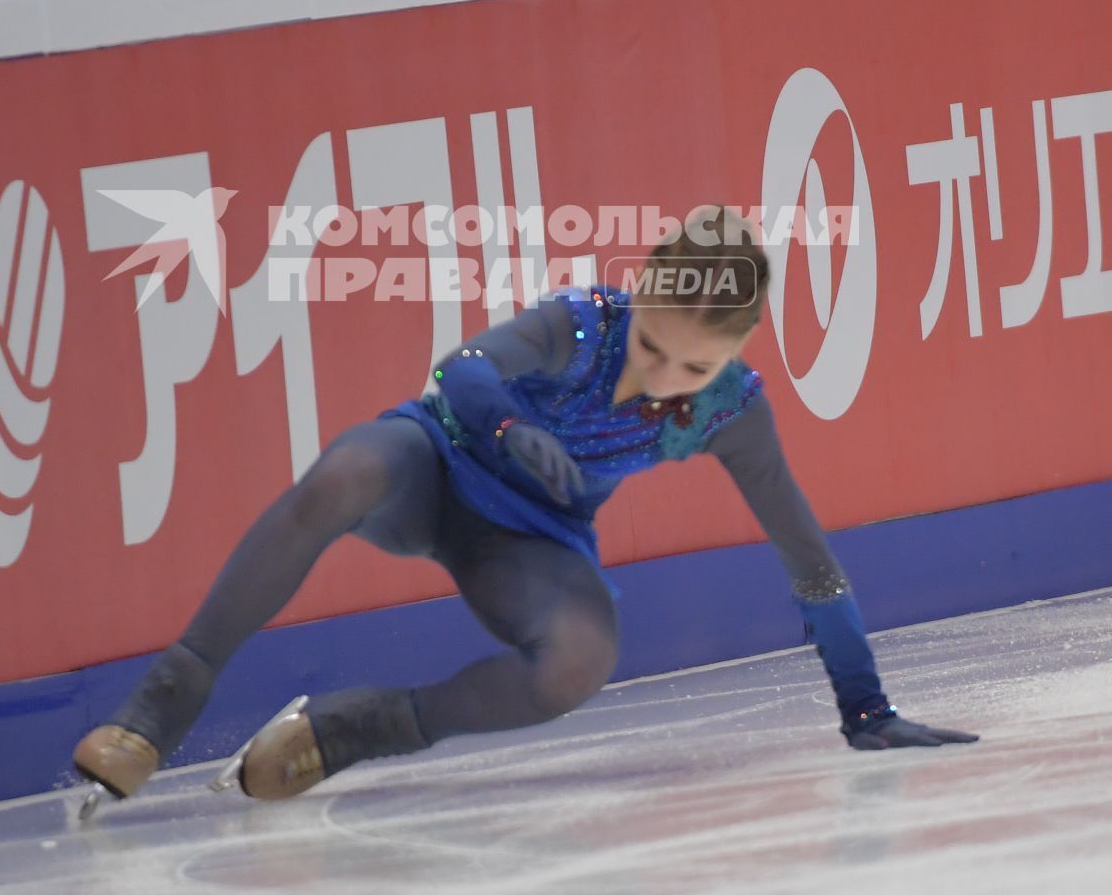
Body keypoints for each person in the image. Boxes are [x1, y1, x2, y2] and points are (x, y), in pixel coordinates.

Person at [74, 207, 976, 808]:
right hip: (433, 463)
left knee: (577, 663)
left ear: (736, 353)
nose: (659, 379)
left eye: (693, 369)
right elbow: (462, 369)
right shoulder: (582, 322)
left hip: (530, 538)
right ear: (641, 294)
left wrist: (865, 704)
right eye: (654, 345)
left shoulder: (731, 414)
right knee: (343, 474)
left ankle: (356, 728)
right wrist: (508, 430)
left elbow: (805, 553)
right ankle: (158, 709)